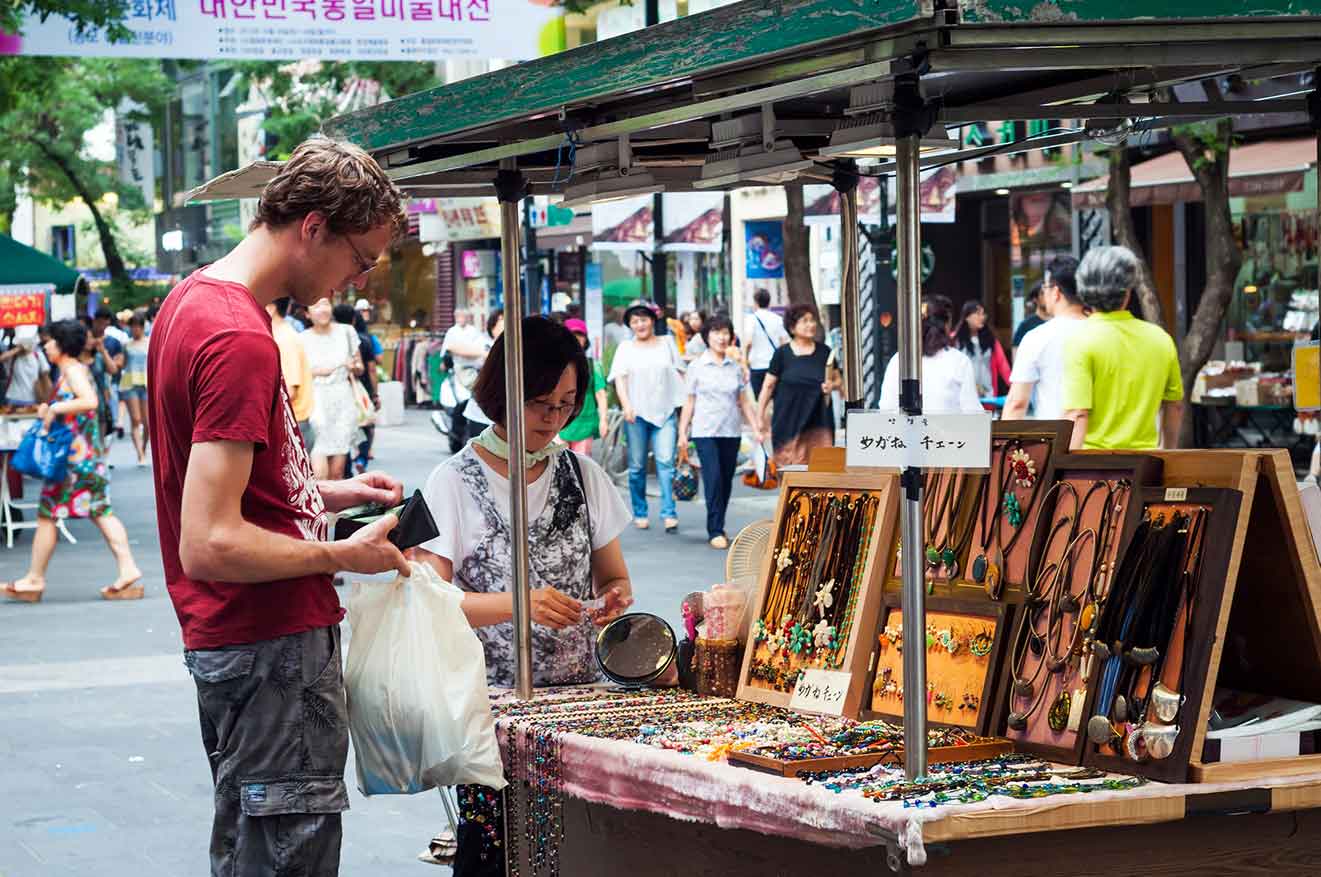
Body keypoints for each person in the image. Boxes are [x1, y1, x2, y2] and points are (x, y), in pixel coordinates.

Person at [146, 138, 409, 877]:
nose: (355, 279)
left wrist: (328, 494)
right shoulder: (237, 335)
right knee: (283, 856)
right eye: (360, 258)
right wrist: (341, 554)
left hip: (249, 646)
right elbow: (209, 540)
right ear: (314, 227)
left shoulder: (193, 303)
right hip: (269, 648)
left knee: (254, 848)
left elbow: (223, 488)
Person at [413, 316, 634, 875]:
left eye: (566, 404)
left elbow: (613, 577)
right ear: (503, 392)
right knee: (494, 851)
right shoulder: (453, 482)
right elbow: (429, 601)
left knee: (575, 853)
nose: (554, 419)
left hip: (578, 710)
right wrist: (521, 602)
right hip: (490, 709)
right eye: (541, 403)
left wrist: (612, 599)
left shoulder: (583, 477)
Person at [2, 319, 143, 603]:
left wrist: (54, 408)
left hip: (74, 463)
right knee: (99, 511)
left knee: (49, 514)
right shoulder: (70, 371)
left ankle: (34, 579)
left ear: (62, 344)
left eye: (51, 341)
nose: (46, 345)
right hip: (83, 460)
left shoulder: (72, 371)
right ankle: (127, 569)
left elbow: (89, 401)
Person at [1062, 245, 1184, 450]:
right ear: (1127, 292)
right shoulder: (1160, 339)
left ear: (1083, 290)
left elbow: (1078, 414)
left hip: (1095, 472)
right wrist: (1169, 455)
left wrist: (1061, 469)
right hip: (1146, 467)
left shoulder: (1080, 340)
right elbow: (1175, 407)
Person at [677, 314, 764, 549]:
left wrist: (756, 428)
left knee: (725, 481)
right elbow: (689, 402)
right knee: (713, 478)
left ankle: (720, 525)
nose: (722, 337)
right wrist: (682, 432)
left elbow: (744, 401)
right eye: (716, 332)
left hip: (731, 430)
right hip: (705, 431)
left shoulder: (735, 368)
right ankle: (714, 529)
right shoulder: (696, 367)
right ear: (707, 337)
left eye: (725, 332)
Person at [608, 299, 687, 533]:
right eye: (635, 321)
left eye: (643, 319)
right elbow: (620, 379)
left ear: (653, 321)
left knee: (665, 463)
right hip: (637, 414)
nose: (639, 324)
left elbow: (680, 373)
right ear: (630, 325)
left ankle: (669, 512)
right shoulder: (626, 348)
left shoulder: (667, 343)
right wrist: (626, 405)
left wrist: (685, 408)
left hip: (665, 412)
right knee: (637, 466)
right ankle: (640, 511)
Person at [756, 303, 840, 467]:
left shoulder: (825, 352)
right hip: (787, 424)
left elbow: (838, 381)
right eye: (805, 321)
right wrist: (759, 417)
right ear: (792, 327)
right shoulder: (782, 354)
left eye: (812, 320)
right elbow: (768, 387)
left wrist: (832, 385)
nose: (811, 324)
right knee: (790, 472)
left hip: (819, 422)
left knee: (821, 470)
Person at [1003, 256, 1084, 421]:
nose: (1044, 293)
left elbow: (1017, 403)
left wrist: (1002, 445)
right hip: (1105, 443)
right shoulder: (1103, 332)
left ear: (1056, 292)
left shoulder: (1037, 338)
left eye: (1045, 287)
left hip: (1055, 440)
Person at [880, 296, 983, 414]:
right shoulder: (959, 361)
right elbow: (972, 412)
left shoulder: (899, 360)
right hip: (949, 432)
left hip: (904, 432)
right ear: (947, 325)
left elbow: (885, 408)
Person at [301, 297, 363, 480]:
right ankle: (322, 508)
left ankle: (335, 510)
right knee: (319, 470)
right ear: (307, 313)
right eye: (316, 305)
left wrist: (355, 367)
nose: (323, 309)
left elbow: (359, 366)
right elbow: (298, 373)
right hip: (316, 402)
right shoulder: (302, 339)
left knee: (337, 472)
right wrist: (323, 371)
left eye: (326, 304)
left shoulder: (347, 331)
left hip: (343, 401)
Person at [267, 296, 316, 451]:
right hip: (290, 423)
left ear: (271, 309)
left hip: (292, 425)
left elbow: (290, 390)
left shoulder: (285, 339)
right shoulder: (278, 335)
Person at [558, 317, 609, 455]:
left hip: (585, 424)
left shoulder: (593, 365)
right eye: (572, 334)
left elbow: (600, 393)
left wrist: (603, 419)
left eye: (580, 335)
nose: (576, 338)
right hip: (559, 423)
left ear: (585, 339)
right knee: (558, 467)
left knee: (581, 467)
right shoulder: (555, 365)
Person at [338, 303, 378, 474]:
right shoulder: (365, 339)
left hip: (341, 389)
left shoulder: (335, 339)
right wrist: (375, 394)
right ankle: (361, 457)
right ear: (354, 319)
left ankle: (346, 467)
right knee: (366, 424)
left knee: (344, 428)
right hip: (362, 388)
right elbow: (371, 368)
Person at [955, 300, 1012, 399]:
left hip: (988, 396)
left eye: (983, 314)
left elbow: (1004, 367)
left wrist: (1015, 388)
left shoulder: (992, 341)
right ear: (967, 317)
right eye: (978, 314)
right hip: (962, 397)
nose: (982, 317)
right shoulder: (955, 341)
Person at [743, 288, 789, 397]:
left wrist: (745, 363)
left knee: (761, 401)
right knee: (775, 399)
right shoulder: (778, 319)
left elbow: (748, 342)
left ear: (755, 302)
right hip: (775, 365)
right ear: (769, 302)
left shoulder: (751, 319)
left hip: (757, 366)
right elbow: (784, 342)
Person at [121, 313, 151, 466]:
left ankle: (143, 448)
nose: (135, 329)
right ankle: (140, 454)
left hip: (146, 383)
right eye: (132, 326)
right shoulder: (127, 344)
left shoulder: (149, 342)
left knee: (147, 423)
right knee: (136, 420)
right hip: (130, 383)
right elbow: (123, 364)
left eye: (138, 326)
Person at [1, 325, 50, 407]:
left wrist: (46, 398)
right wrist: (18, 349)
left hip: (33, 399)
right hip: (13, 398)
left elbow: (46, 377)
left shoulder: (37, 355)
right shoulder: (13, 356)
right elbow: (2, 358)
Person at [1013, 283, 1049, 353]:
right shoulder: (1025, 325)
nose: (1047, 296)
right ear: (1035, 299)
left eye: (1048, 292)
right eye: (1042, 293)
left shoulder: (1059, 321)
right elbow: (1016, 351)